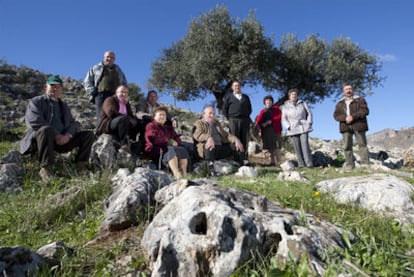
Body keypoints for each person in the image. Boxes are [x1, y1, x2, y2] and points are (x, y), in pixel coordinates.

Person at [19, 75, 95, 183]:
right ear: (46, 87)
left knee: (89, 135)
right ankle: (46, 169)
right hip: (42, 141)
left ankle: (81, 165)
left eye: (58, 87)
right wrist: (56, 135)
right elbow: (34, 120)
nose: (55, 89)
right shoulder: (36, 102)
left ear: (61, 90)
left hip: (61, 141)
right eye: (52, 86)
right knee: (46, 129)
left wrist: (68, 135)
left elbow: (73, 123)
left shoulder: (64, 106)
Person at [193, 106, 245, 176]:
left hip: (220, 149)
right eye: (210, 113)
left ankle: (243, 165)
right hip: (207, 150)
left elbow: (226, 135)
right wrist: (208, 138)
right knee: (209, 145)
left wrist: (236, 139)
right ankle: (211, 169)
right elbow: (197, 135)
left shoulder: (216, 124)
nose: (212, 115)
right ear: (203, 114)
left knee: (235, 145)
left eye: (214, 114)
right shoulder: (199, 123)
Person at [83, 50, 127, 127]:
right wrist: (92, 91)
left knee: (115, 115)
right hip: (101, 95)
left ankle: (114, 135)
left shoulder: (118, 70)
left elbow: (124, 82)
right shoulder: (95, 68)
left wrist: (123, 93)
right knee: (101, 116)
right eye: (108, 57)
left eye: (112, 57)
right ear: (104, 57)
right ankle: (99, 135)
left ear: (114, 59)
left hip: (115, 96)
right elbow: (87, 81)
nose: (109, 59)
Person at [144, 106, 189, 179]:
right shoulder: (151, 126)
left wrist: (177, 142)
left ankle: (184, 173)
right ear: (154, 117)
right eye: (160, 115)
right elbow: (154, 138)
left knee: (182, 149)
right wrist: (169, 141)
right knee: (170, 149)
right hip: (155, 151)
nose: (162, 117)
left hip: (167, 150)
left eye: (164, 115)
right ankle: (177, 174)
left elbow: (177, 138)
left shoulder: (168, 128)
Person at [334, 84, 370, 169]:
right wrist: (345, 118)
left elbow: (365, 111)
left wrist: (353, 117)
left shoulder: (360, 100)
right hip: (345, 126)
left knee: (362, 144)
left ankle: (365, 164)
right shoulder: (339, 103)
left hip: (358, 125)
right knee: (347, 146)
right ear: (343, 92)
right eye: (346, 89)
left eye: (350, 89)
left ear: (353, 90)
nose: (348, 90)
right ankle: (350, 165)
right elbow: (336, 116)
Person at [95, 85, 141, 151]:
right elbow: (111, 113)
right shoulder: (110, 100)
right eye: (122, 92)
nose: (124, 94)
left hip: (123, 124)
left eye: (126, 93)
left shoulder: (126, 103)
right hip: (109, 124)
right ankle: (124, 144)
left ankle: (137, 144)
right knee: (124, 118)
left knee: (140, 122)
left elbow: (130, 114)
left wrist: (135, 120)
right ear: (116, 92)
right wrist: (128, 118)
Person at [281, 88, 313, 168]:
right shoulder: (285, 106)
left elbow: (309, 113)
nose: (294, 96)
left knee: (305, 145)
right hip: (292, 128)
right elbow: (284, 118)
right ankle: (301, 164)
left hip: (303, 126)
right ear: (289, 96)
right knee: (297, 147)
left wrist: (309, 122)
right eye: (292, 94)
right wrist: (288, 126)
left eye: (295, 94)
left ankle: (309, 163)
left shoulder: (302, 103)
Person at [222, 81, 252, 165]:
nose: (237, 87)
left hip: (245, 120)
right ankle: (236, 159)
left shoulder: (245, 97)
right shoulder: (228, 97)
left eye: (238, 85)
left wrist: (245, 116)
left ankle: (245, 159)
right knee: (235, 139)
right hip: (233, 120)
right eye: (235, 85)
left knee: (245, 139)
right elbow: (224, 109)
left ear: (241, 87)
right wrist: (229, 118)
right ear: (232, 87)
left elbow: (249, 109)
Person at [255, 95, 283, 166]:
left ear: (272, 102)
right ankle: (272, 162)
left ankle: (279, 162)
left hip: (275, 129)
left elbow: (279, 116)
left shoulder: (276, 108)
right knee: (270, 146)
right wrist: (262, 125)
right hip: (266, 131)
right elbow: (258, 121)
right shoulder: (262, 111)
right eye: (266, 101)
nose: (268, 102)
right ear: (264, 102)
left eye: (270, 101)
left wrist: (271, 121)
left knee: (276, 146)